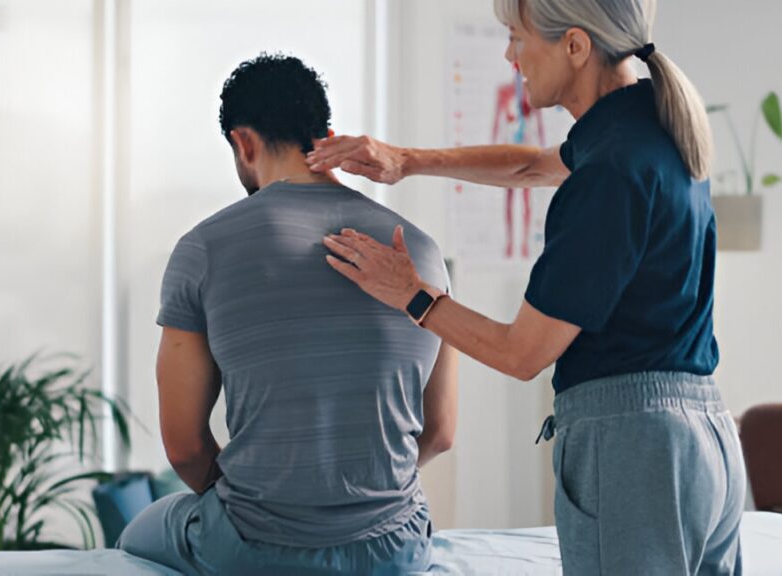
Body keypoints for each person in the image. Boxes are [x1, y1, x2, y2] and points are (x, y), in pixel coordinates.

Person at [310, 0, 745, 574]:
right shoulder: (650, 125)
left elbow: (522, 353)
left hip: (637, 450)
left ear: (575, 46)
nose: (509, 56)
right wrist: (406, 161)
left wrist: (411, 294)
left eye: (517, 38)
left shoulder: (608, 176)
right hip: (702, 436)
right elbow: (532, 168)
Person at [119, 53, 458, 575]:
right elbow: (439, 433)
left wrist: (269, 512)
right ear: (326, 135)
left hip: (253, 551)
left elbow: (185, 447)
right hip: (396, 551)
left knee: (135, 531)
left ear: (243, 142)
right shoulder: (422, 250)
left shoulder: (204, 248)